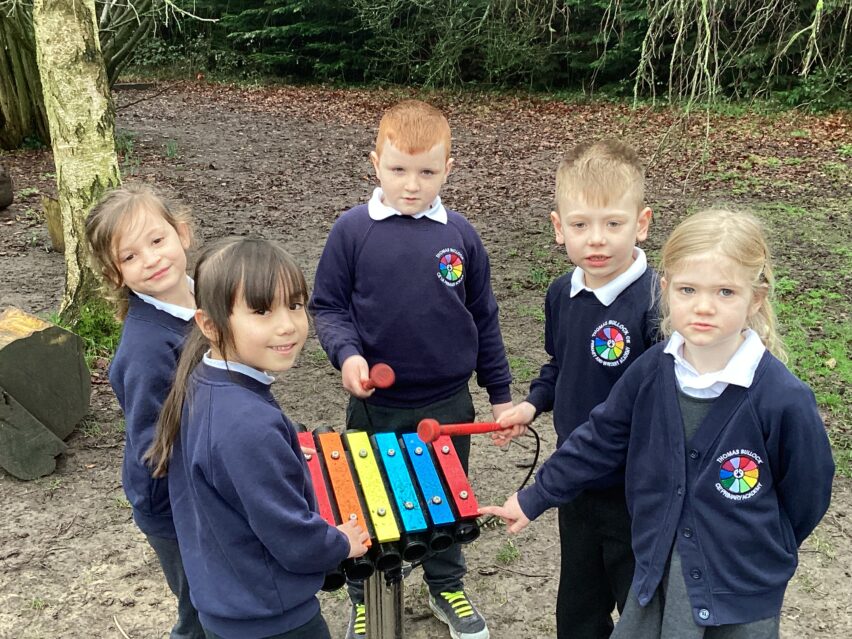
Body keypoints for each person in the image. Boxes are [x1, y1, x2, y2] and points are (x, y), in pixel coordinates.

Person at [482, 209, 835, 638]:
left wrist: (764, 547)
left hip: (742, 587)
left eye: (725, 292)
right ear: (666, 290)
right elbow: (598, 438)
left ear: (755, 298)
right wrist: (535, 496)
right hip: (659, 572)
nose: (704, 306)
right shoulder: (651, 371)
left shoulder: (782, 397)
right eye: (688, 289)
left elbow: (807, 492)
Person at [311, 99, 511, 639]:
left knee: (444, 499)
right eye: (398, 169)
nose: (412, 184)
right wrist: (348, 356)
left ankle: (446, 584)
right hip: (377, 405)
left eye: (427, 172)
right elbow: (327, 308)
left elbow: (484, 318)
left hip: (448, 404)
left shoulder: (461, 236)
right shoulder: (352, 231)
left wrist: (500, 395)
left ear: (448, 169)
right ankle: (364, 591)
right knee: (369, 502)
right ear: (375, 162)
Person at [146, 238, 369, 639]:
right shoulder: (246, 424)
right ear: (209, 325)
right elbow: (291, 537)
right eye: (262, 311)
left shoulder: (203, 380)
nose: (287, 325)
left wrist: (277, 452)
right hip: (270, 618)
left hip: (227, 598)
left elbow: (227, 471)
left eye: (295, 305)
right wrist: (339, 543)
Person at [493, 139, 656, 639]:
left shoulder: (657, 306)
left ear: (642, 223)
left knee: (641, 616)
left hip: (637, 492)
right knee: (578, 616)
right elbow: (561, 365)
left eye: (614, 223)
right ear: (559, 228)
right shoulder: (561, 293)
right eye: (581, 224)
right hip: (576, 485)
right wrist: (532, 404)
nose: (597, 240)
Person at [85, 183, 204, 639]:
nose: (151, 259)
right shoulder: (147, 348)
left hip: (206, 485)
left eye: (157, 241)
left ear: (183, 234)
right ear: (116, 275)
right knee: (201, 609)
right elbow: (155, 447)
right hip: (174, 505)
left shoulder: (206, 294)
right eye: (130, 256)